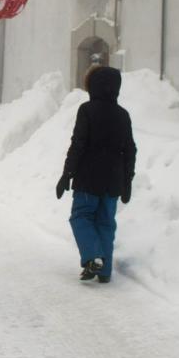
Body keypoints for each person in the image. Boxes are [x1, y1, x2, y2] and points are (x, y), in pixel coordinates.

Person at [55, 66, 136, 284]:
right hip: (112, 182)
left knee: (81, 217)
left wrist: (66, 174)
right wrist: (127, 182)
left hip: (88, 179)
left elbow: (78, 144)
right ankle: (104, 269)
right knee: (105, 223)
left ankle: (93, 257)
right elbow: (130, 150)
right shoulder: (123, 115)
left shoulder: (87, 110)